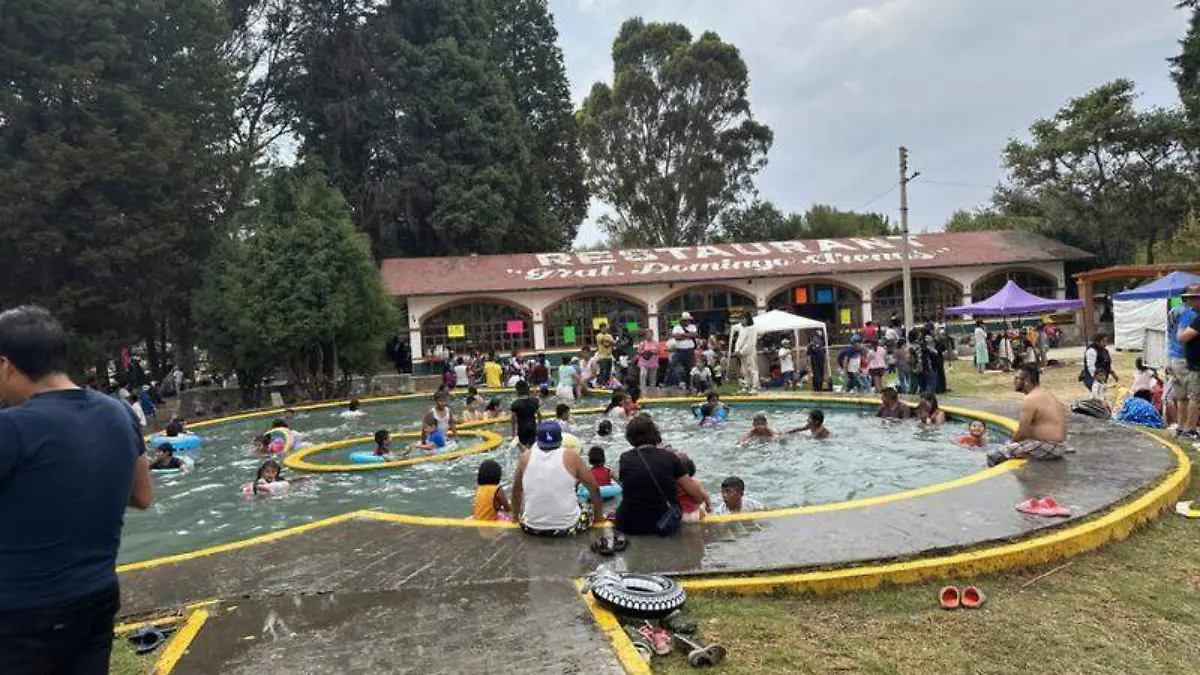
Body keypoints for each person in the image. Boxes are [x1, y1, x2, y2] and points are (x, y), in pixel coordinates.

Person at [0, 306, 157, 675]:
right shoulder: (119, 413)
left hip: (20, 614)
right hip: (96, 597)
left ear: (6, 364)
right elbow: (143, 497)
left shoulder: (11, 428)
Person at [613, 414, 707, 536]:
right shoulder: (670, 457)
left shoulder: (625, 458)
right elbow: (696, 496)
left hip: (630, 524)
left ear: (630, 437)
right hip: (663, 524)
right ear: (655, 434)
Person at [512, 422, 603, 536]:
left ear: (537, 439)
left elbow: (516, 490)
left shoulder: (524, 457)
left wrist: (515, 518)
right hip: (567, 528)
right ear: (560, 439)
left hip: (531, 528)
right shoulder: (571, 456)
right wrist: (599, 519)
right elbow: (594, 488)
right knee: (587, 507)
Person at [987, 364, 1069, 466]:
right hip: (1058, 445)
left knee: (994, 455)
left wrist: (1011, 444)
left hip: (1049, 446)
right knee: (1010, 448)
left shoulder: (1030, 399)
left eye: (1017, 378)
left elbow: (1022, 432)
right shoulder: (1045, 393)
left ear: (1027, 381)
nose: (1014, 381)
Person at [1175, 285, 1200, 439]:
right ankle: (1185, 428)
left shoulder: (1198, 319)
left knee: (1194, 397)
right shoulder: (1195, 316)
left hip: (1197, 364)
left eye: (1192, 299)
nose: (1189, 302)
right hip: (1192, 363)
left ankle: (1189, 429)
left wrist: (1180, 331)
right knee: (1188, 396)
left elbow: (1183, 337)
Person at [674, 453, 712, 523]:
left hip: (679, 515)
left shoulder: (673, 485)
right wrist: (708, 506)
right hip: (694, 513)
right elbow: (705, 495)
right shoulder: (694, 483)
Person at [509, 381, 540, 449]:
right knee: (533, 448)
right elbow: (539, 415)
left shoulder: (515, 404)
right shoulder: (534, 401)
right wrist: (540, 426)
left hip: (522, 429)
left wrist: (513, 434)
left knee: (523, 449)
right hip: (532, 427)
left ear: (517, 390)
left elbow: (513, 420)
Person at [734, 314, 759, 394]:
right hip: (741, 353)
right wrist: (737, 350)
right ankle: (747, 385)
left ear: (748, 319)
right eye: (741, 319)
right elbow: (738, 341)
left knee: (752, 369)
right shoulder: (741, 329)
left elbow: (750, 342)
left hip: (750, 353)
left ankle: (755, 386)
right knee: (744, 370)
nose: (742, 321)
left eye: (743, 319)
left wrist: (742, 351)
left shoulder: (752, 329)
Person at [636, 329, 660, 393]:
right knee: (643, 375)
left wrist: (652, 351)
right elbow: (638, 351)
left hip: (653, 363)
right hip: (644, 363)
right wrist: (644, 352)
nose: (649, 336)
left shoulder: (656, 343)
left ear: (652, 335)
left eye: (650, 334)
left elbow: (658, 351)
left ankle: (652, 391)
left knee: (652, 378)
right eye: (647, 334)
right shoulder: (642, 343)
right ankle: (643, 390)